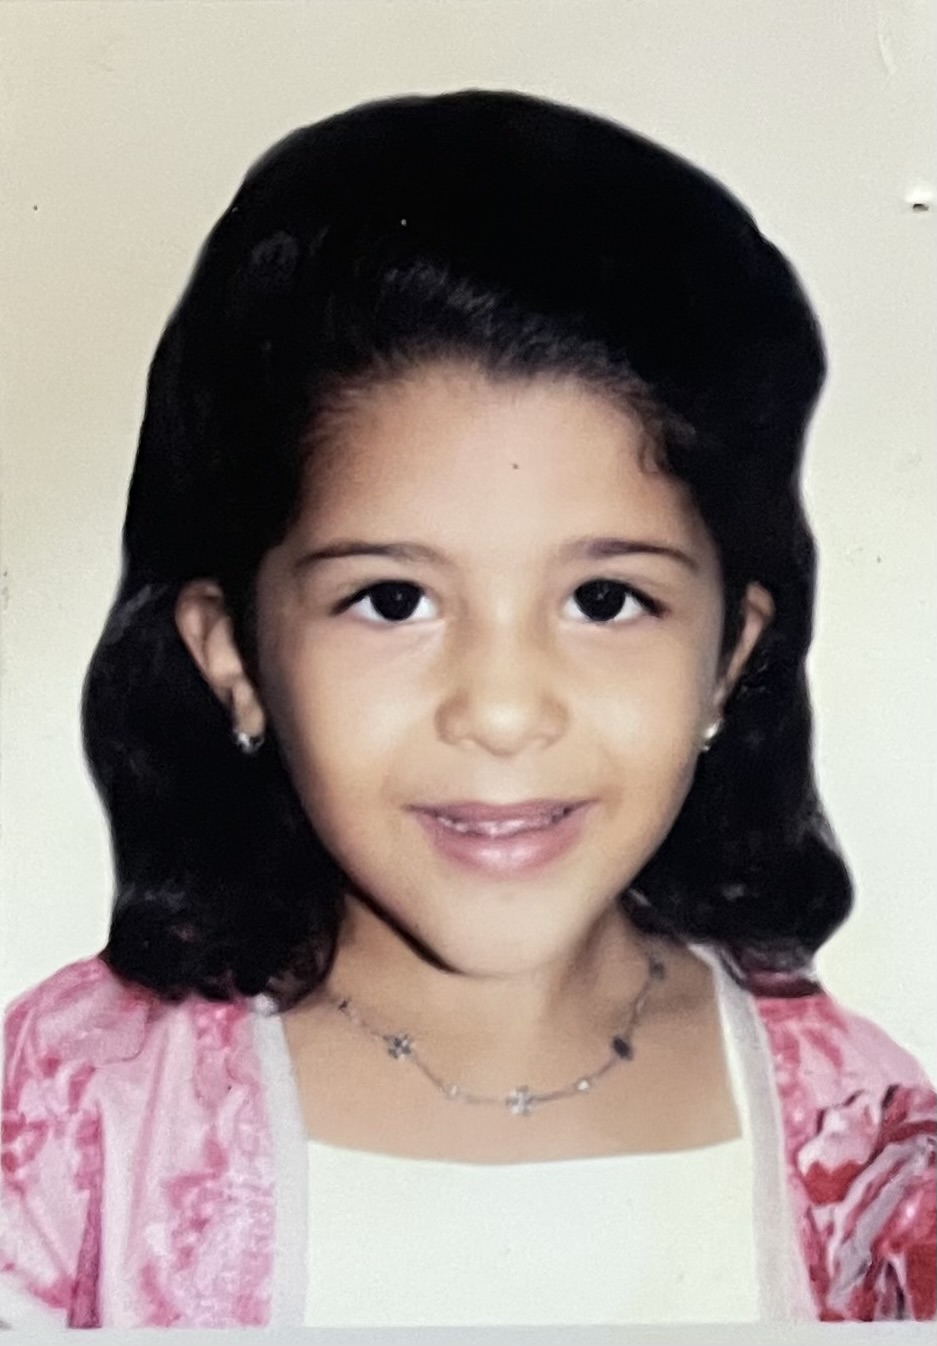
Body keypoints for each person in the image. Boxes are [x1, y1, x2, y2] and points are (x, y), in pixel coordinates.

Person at [0, 89, 933, 1330]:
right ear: (235, 658)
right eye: (393, 600)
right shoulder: (72, 1120)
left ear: (728, 656)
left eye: (604, 599)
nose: (499, 709)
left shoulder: (868, 1149)